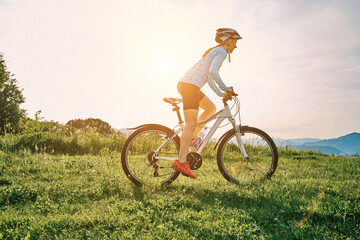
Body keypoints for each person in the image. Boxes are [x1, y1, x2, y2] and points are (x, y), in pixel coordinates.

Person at [172, 28, 242, 178]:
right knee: (190, 124)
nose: (236, 46)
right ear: (228, 40)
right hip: (190, 85)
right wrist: (226, 88)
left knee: (210, 108)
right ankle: (181, 161)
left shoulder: (216, 51)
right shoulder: (222, 51)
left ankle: (191, 137)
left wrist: (220, 93)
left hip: (189, 84)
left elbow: (209, 77)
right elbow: (213, 73)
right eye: (235, 42)